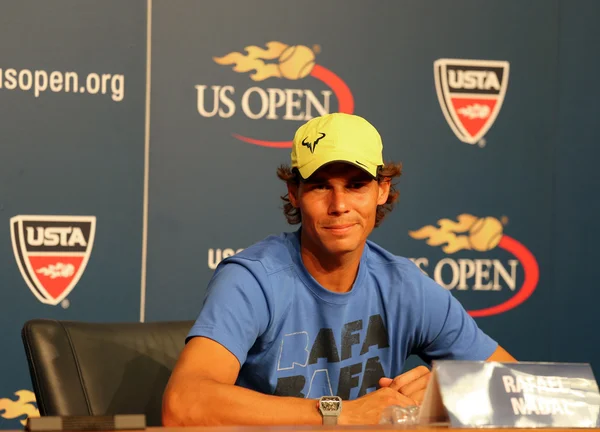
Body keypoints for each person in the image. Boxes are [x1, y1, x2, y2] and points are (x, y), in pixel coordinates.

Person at [162, 113, 515, 426]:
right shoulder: (253, 280)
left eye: (356, 185)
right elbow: (183, 405)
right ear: (294, 192)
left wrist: (443, 395)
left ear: (382, 190)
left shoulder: (404, 285)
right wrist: (341, 413)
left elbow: (518, 389)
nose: (339, 205)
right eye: (320, 187)